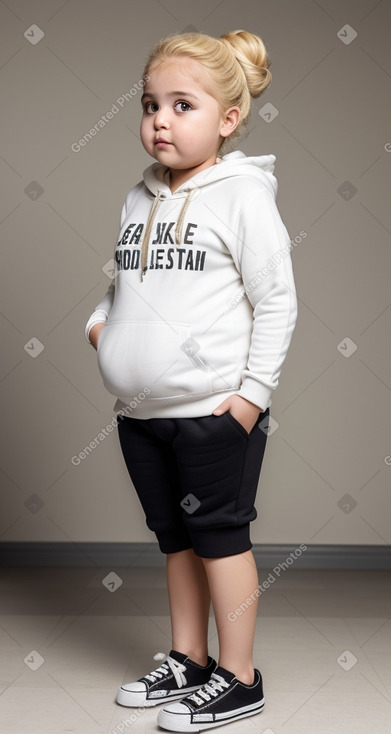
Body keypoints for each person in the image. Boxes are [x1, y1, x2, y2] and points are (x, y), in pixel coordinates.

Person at [84, 29, 297, 732]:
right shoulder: (135, 198)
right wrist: (99, 328)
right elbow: (124, 288)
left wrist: (248, 400)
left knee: (220, 539)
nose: (160, 120)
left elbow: (275, 300)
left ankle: (239, 676)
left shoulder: (241, 197)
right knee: (173, 538)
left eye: (182, 105)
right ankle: (189, 657)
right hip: (141, 413)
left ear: (227, 119)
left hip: (212, 412)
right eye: (150, 104)